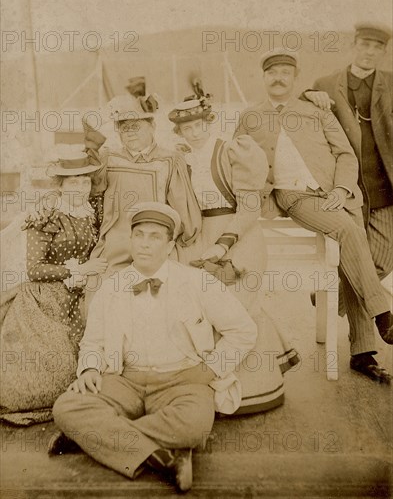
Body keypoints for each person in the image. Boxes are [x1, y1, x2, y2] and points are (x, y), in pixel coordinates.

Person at [49, 202, 257, 493]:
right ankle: (165, 456)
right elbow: (93, 341)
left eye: (155, 237)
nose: (145, 244)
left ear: (170, 245)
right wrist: (90, 368)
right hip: (124, 380)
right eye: (139, 235)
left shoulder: (197, 282)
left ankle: (94, 437)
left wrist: (211, 369)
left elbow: (243, 330)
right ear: (131, 239)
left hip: (182, 380)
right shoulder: (112, 286)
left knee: (195, 422)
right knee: (67, 407)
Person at [234, 48, 392, 384]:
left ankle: (363, 352)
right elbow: (234, 161)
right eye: (272, 72)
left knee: (351, 244)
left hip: (334, 195)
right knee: (348, 232)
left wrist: (341, 189)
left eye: (285, 73)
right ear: (263, 78)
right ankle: (382, 312)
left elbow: (345, 154)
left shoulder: (317, 111)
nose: (279, 78)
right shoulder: (250, 117)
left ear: (294, 79)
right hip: (293, 195)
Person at [168, 89, 300, 413]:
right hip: (202, 236)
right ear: (180, 131)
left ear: (208, 121)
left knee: (239, 307)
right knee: (196, 308)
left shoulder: (233, 151)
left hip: (240, 237)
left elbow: (249, 208)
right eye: (187, 128)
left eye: (199, 124)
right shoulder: (182, 159)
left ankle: (256, 390)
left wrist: (224, 243)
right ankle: (209, 393)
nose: (194, 132)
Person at [303, 23, 393, 382]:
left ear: (382, 52)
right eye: (364, 44)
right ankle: (363, 352)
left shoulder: (391, 82)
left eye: (376, 47)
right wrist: (310, 96)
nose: (369, 52)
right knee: (358, 259)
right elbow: (300, 107)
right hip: (348, 191)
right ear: (352, 45)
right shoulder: (326, 84)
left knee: (379, 262)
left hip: (385, 188)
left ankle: (332, 295)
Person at [0, 153, 107, 423]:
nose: (80, 189)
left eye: (84, 183)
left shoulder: (92, 211)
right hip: (42, 301)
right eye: (72, 183)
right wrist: (79, 270)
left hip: (78, 297)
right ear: (60, 185)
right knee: (50, 374)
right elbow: (34, 269)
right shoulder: (46, 216)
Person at [83, 83, 201, 279]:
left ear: (152, 126)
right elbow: (84, 190)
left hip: (155, 245)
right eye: (124, 127)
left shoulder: (170, 160)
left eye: (136, 126)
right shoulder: (107, 158)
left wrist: (170, 245)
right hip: (115, 246)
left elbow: (185, 216)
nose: (129, 132)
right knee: (99, 297)